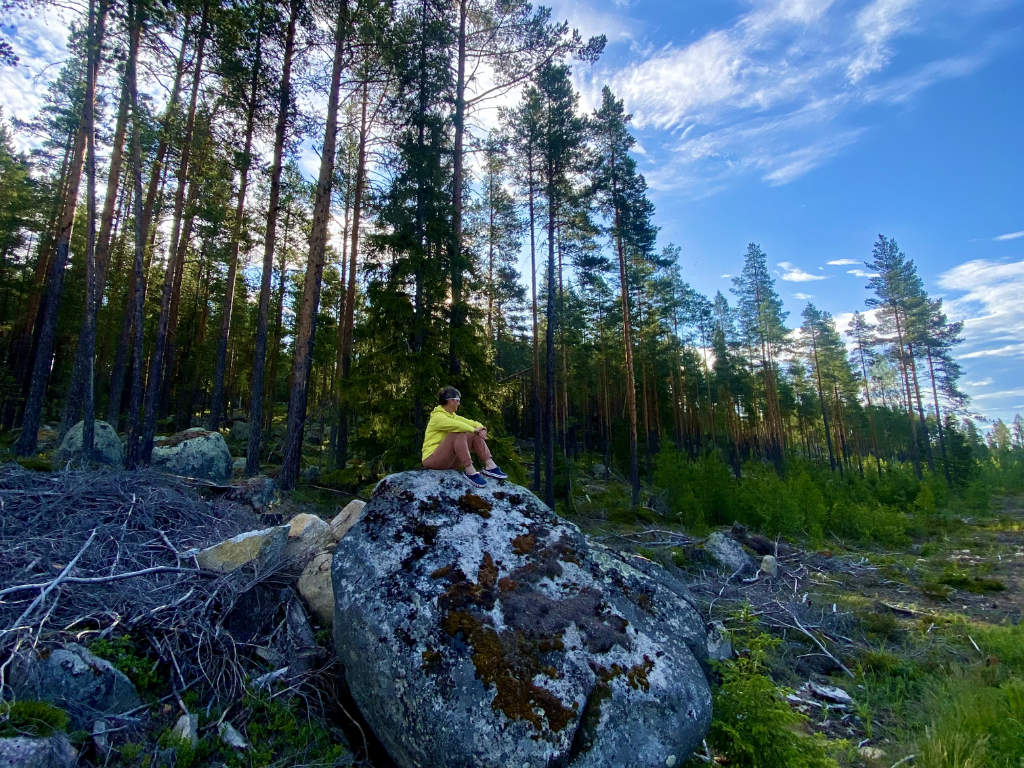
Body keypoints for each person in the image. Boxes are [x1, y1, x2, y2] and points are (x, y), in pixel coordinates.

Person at [422, 386, 507, 487]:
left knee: (473, 434)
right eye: (458, 400)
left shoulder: (453, 416)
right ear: (450, 401)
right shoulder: (437, 417)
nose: (459, 403)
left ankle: (490, 466)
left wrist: (481, 429)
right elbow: (457, 426)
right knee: (458, 432)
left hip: (449, 461)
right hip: (432, 460)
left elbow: (472, 423)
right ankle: (470, 471)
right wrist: (474, 430)